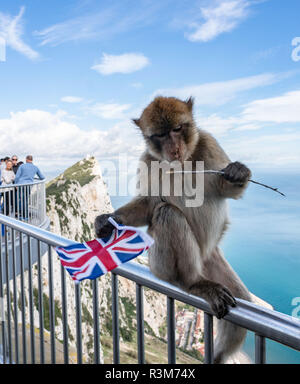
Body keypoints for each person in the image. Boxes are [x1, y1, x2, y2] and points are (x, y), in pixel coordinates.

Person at [15, 155, 45, 220]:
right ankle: (25, 216)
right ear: (32, 160)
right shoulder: (35, 167)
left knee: (21, 200)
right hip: (29, 186)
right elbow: (42, 177)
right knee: (25, 200)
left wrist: (16, 184)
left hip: (20, 185)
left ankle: (23, 215)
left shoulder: (22, 166)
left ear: (26, 159)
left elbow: (17, 176)